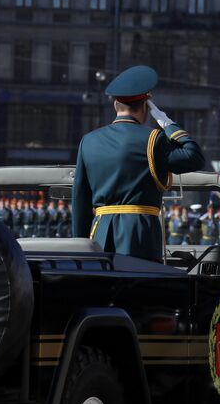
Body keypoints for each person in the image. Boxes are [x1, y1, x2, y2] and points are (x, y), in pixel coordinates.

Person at [71, 65, 206, 261]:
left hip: (99, 236)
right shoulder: (153, 139)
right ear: (146, 106)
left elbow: (80, 202)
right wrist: (168, 124)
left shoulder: (89, 141)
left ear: (115, 105)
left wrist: (81, 248)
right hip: (141, 235)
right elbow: (194, 157)